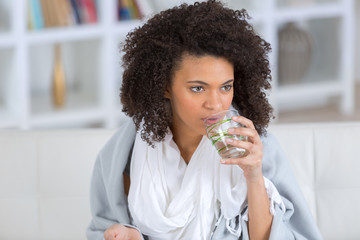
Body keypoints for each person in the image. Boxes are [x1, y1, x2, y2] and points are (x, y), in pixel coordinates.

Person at [87, 1, 322, 239]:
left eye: (225, 87)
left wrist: (253, 176)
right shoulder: (125, 153)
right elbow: (103, 227)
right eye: (198, 88)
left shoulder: (252, 146)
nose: (216, 104)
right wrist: (128, 234)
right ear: (165, 87)